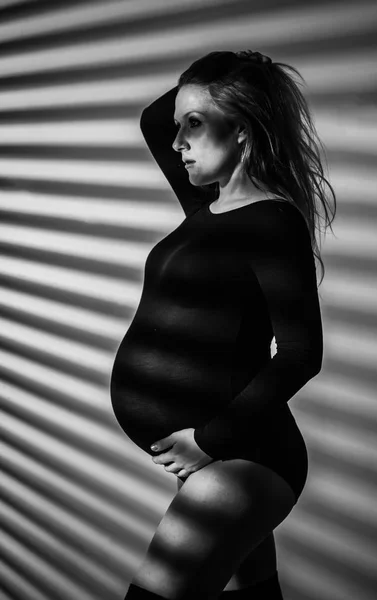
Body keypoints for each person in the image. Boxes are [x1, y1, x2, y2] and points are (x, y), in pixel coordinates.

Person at [110, 49, 336, 600]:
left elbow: (302, 353)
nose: (176, 142)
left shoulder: (272, 221)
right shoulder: (203, 208)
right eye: (179, 127)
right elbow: (152, 118)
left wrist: (208, 439)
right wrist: (224, 82)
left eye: (193, 126)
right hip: (222, 458)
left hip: (242, 457)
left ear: (242, 131)